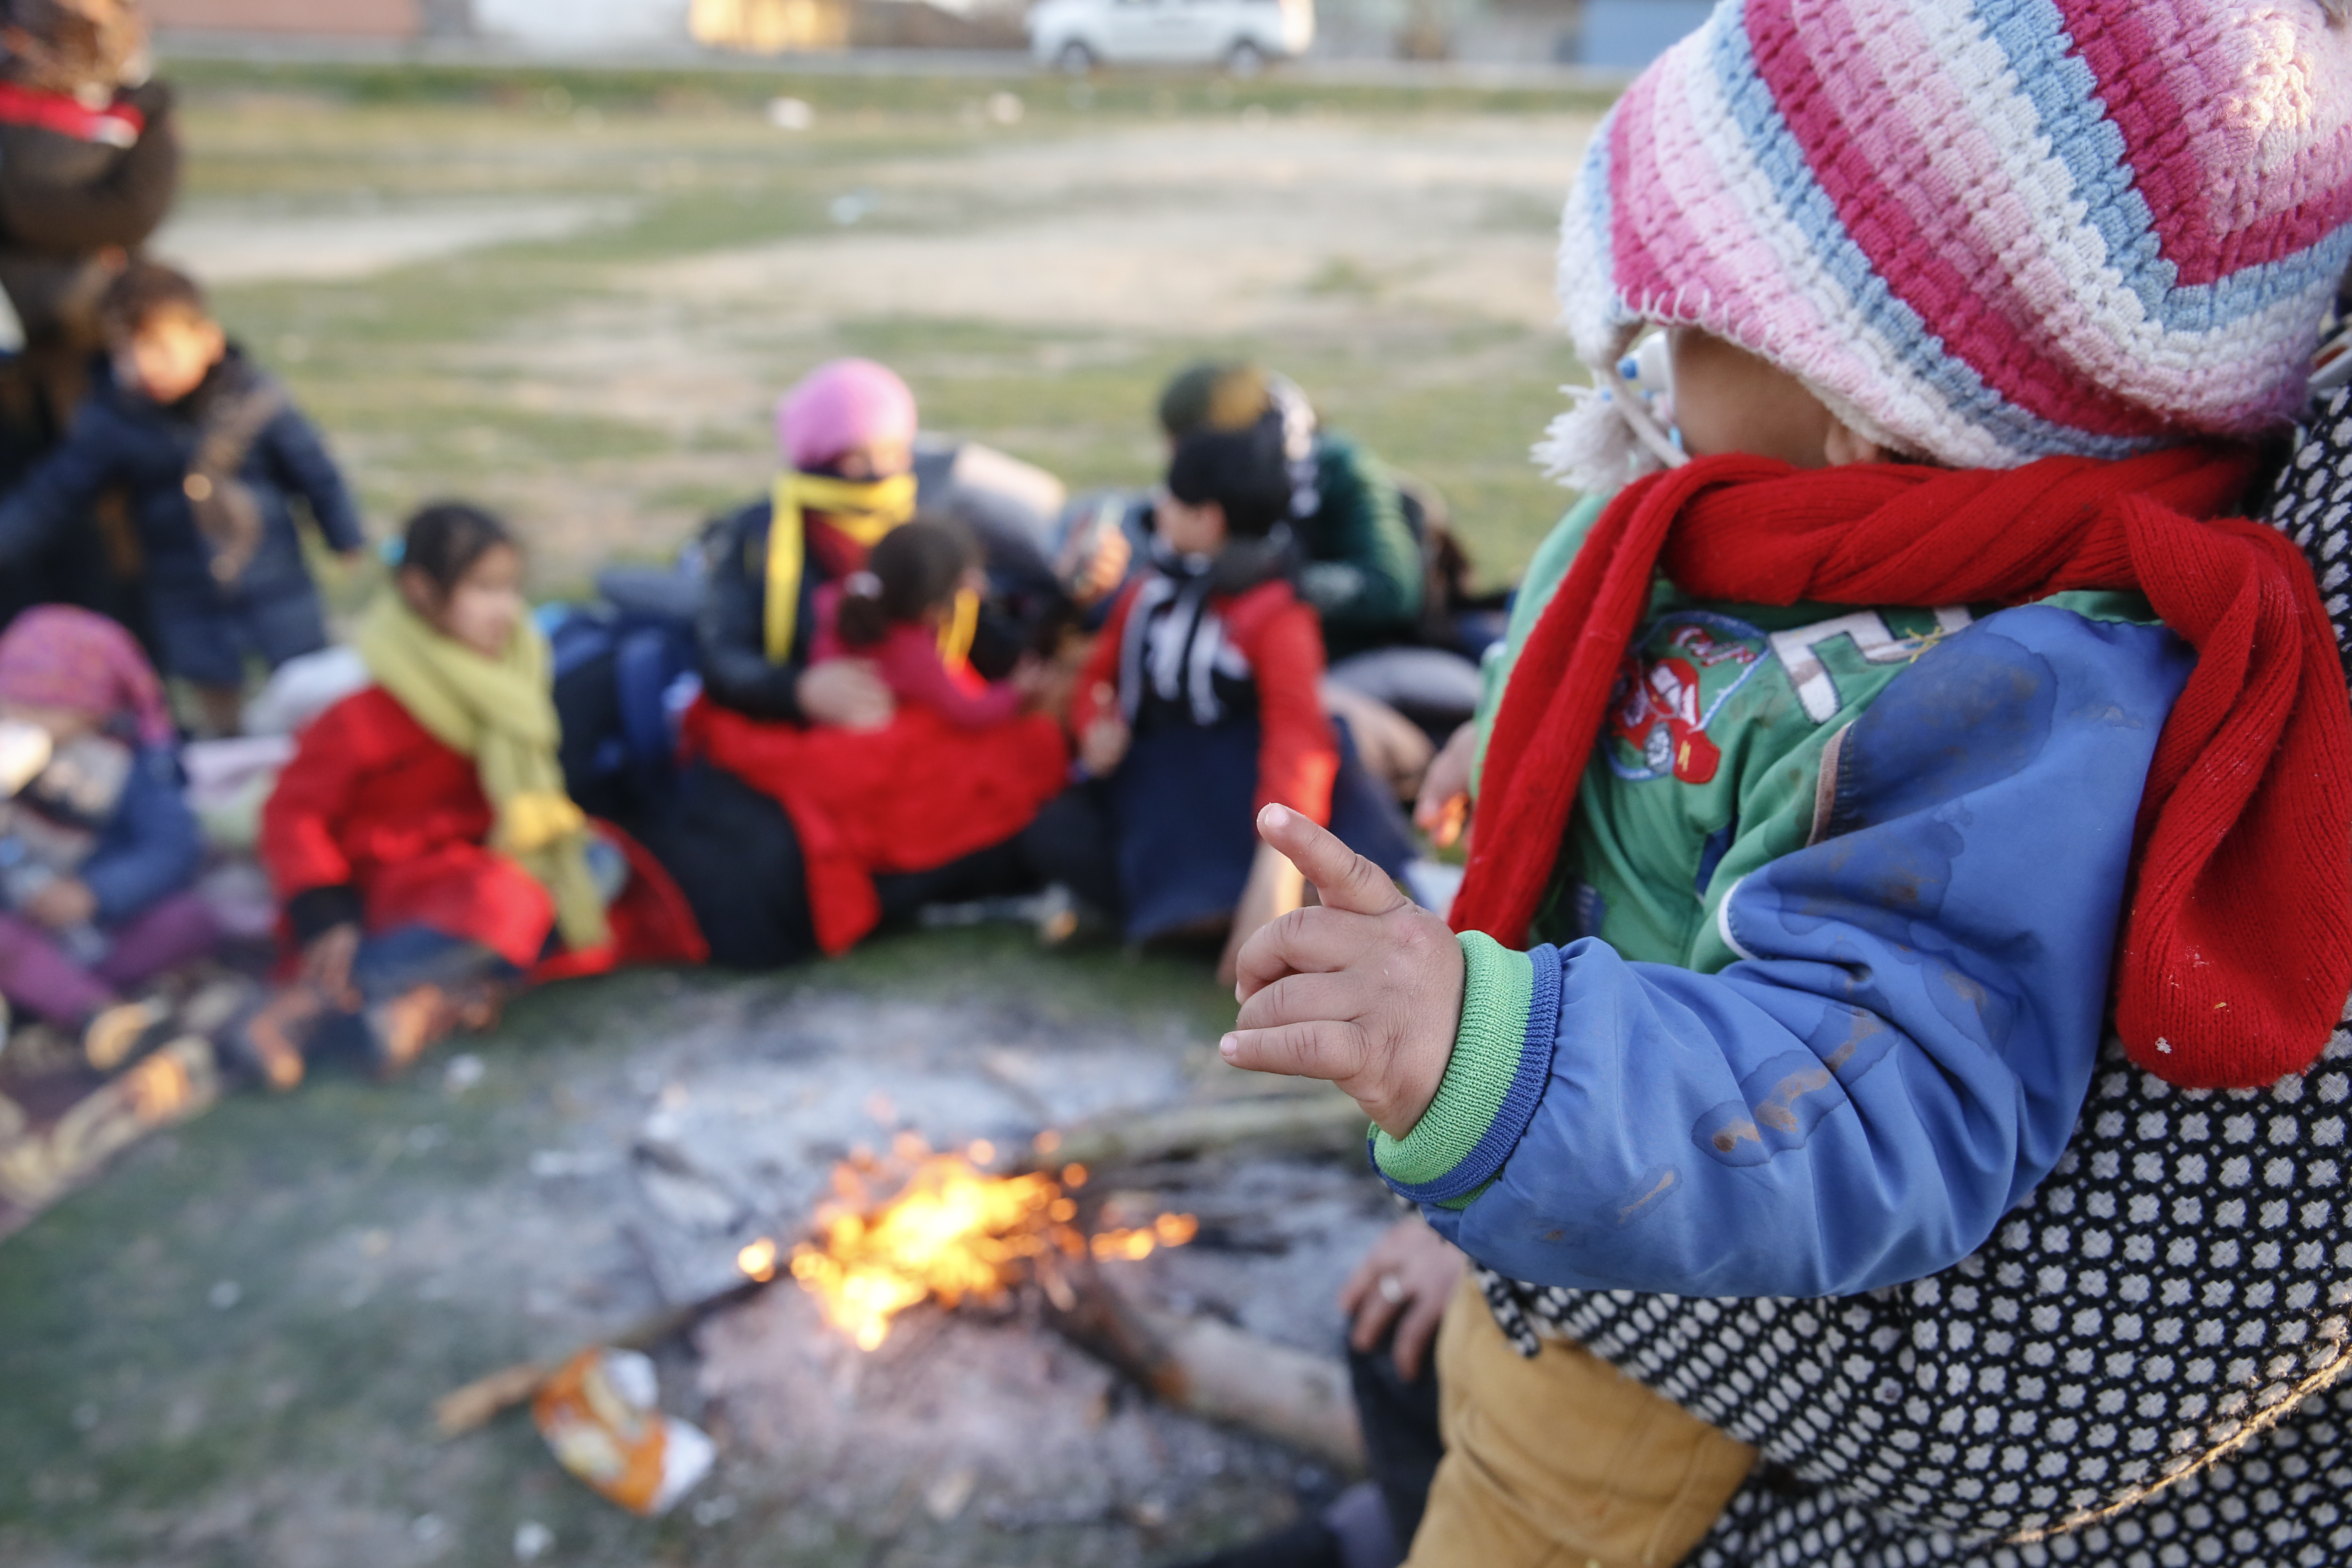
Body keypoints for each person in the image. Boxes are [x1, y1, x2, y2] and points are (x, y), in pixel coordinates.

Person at [1218, 2, 2352, 1564]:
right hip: (1576, 1198)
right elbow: (1634, 675)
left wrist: (1488, 1050)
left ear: (1859, 395)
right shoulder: (1761, 543)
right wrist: (1517, 737)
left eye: (1686, 323)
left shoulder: (2011, 709)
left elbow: (1882, 1088)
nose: (1641, 365)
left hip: (1648, 1355)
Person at [250, 504, 703, 1090]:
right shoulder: (365, 709)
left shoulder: (511, 681)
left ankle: (425, 1001)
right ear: (421, 591)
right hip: (396, 884)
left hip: (480, 861)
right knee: (510, 900)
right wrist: (322, 906)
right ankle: (324, 999)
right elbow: (293, 811)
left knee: (594, 865)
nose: (505, 610)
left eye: (510, 589)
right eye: (483, 590)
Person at [654, 359, 1066, 968]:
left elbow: (986, 644)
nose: (880, 473)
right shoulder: (758, 536)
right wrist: (801, 689)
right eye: (861, 456)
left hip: (919, 723)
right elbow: (722, 658)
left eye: (894, 452)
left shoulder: (925, 520)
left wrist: (1070, 598)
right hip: (800, 730)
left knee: (1021, 761)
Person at [1032, 417, 1412, 984]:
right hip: (1160, 775)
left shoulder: (1277, 613)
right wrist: (1097, 722)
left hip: (1249, 791)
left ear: (1207, 518)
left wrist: (1279, 857)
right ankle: (1211, 916)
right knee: (1053, 832)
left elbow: (1298, 733)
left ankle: (1251, 910)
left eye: (1173, 500)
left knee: (1314, 864)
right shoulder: (1152, 586)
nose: (1158, 508)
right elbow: (1101, 672)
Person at [0, 262, 364, 736]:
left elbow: (314, 471)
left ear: (207, 342)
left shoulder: (258, 401)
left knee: (309, 702)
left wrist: (344, 534)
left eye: (159, 347)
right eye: (125, 351)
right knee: (219, 714)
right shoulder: (113, 421)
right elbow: (53, 493)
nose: (142, 364)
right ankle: (229, 778)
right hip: (185, 596)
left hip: (277, 586)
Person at [0, 604, 213, 1070]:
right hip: (24, 918)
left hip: (104, 924)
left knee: (190, 918)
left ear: (91, 709)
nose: (16, 716)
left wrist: (94, 893)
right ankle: (94, 1012)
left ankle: (71, 1004)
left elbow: (171, 849)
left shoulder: (136, 766)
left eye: (36, 707)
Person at [816, 516, 1051, 730]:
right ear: (931, 608)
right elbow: (968, 712)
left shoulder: (841, 600)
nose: (980, 589)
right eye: (963, 584)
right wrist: (1015, 690)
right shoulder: (914, 654)